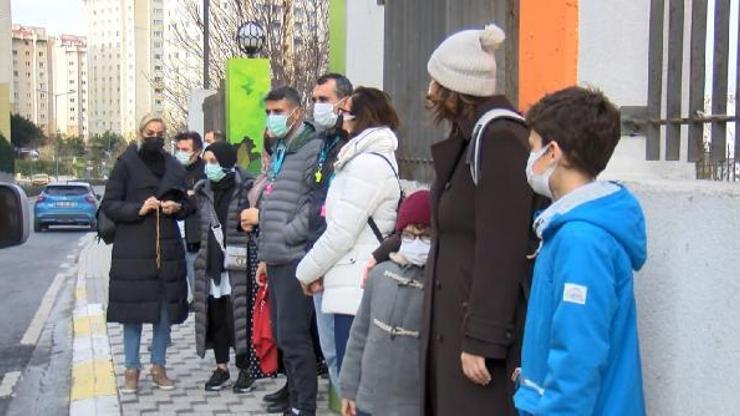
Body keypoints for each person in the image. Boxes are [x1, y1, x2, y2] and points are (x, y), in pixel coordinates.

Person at [383, 23, 536, 415]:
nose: (429, 93)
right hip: (452, 330)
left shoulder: (500, 138)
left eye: (435, 83)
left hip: (476, 345)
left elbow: (502, 248)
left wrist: (482, 340)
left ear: (454, 86)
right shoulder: (473, 138)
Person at [514, 86, 647, 415]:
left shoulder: (582, 241)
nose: (529, 159)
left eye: (533, 147)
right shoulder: (569, 230)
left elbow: (577, 355)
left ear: (554, 152)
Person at [296, 87, 402, 379]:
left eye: (344, 111)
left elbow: (341, 231)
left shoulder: (367, 164)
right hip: (351, 282)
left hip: (357, 287)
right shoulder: (362, 158)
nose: (340, 117)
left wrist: (306, 271)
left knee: (355, 384)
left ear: (361, 116)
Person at [241, 86, 323, 416]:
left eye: (278, 112)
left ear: (296, 112)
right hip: (275, 255)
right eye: (269, 112)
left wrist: (288, 236)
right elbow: (274, 198)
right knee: (281, 331)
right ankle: (291, 391)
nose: (272, 118)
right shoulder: (281, 149)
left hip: (295, 255)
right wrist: (265, 254)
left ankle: (304, 405)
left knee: (293, 334)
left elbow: (315, 205)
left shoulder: (313, 147)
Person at [102, 114, 192, 394]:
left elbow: (190, 204)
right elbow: (110, 205)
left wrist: (177, 208)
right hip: (132, 249)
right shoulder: (126, 164)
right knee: (132, 313)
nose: (155, 136)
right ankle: (131, 369)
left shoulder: (174, 165)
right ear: (141, 133)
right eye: (150, 132)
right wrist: (138, 208)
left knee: (164, 313)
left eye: (160, 132)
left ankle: (159, 366)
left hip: (167, 248)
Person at [339, 190, 431, 416]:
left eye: (425, 236)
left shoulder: (439, 286)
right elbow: (359, 334)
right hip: (370, 399)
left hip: (412, 404)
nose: (417, 243)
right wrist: (349, 388)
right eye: (409, 235)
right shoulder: (380, 275)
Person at [191, 141, 272, 393]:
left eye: (214, 161)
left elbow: (254, 224)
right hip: (211, 264)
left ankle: (245, 368)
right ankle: (222, 367)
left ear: (227, 161)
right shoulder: (203, 191)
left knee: (239, 316)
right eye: (206, 162)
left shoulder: (245, 188)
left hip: (239, 262)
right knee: (215, 317)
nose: (209, 167)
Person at [306, 73, 354, 389]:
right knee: (331, 353)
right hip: (318, 256)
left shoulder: (353, 146)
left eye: (324, 100)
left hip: (342, 263)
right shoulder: (320, 142)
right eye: (314, 100)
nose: (317, 107)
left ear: (344, 102)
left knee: (345, 353)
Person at [174, 131, 206, 304]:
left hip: (194, 237)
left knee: (197, 283)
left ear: (197, 151)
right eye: (178, 149)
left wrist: (189, 196)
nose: (180, 153)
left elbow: (201, 199)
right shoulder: (173, 170)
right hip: (173, 234)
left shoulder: (204, 171)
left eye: (185, 149)